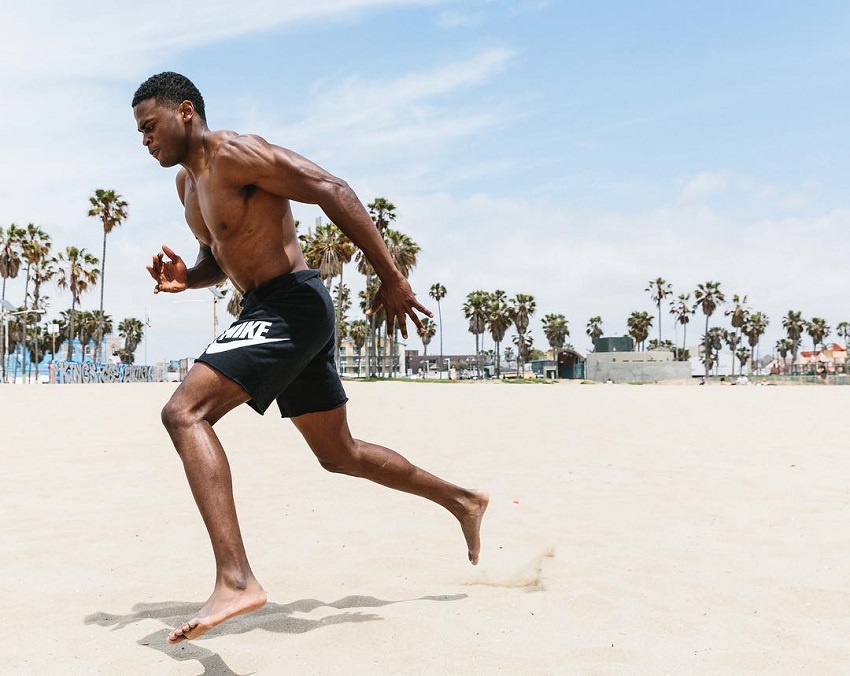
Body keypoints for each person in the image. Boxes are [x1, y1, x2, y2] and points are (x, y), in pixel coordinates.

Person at [132, 72, 488, 645]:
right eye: (139, 133)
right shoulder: (187, 186)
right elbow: (221, 255)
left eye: (150, 127)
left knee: (185, 413)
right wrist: (188, 278)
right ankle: (463, 500)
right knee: (338, 453)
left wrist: (392, 278)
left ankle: (236, 579)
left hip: (292, 304)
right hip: (269, 309)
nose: (145, 140)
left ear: (186, 112)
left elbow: (331, 187)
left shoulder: (235, 153)